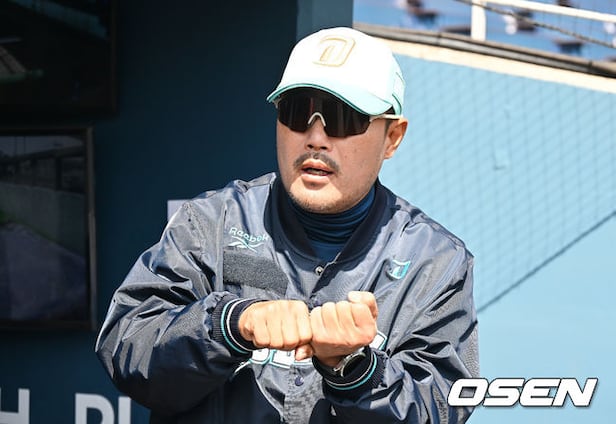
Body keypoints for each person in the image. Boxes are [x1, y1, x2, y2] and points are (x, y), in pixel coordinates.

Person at [95, 26, 479, 423]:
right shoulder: (210, 222)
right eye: (298, 112)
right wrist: (229, 324)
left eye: (342, 118)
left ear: (392, 137)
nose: (316, 138)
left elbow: (439, 407)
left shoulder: (435, 261)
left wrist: (354, 368)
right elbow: (128, 349)